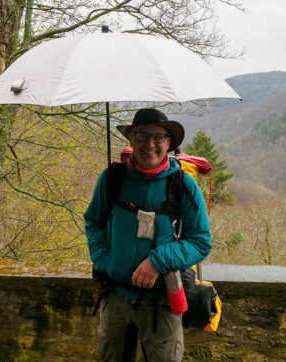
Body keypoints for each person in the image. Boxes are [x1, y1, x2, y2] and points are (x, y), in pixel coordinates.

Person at [84, 108, 212, 362]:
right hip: (116, 297)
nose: (150, 144)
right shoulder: (112, 179)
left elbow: (200, 242)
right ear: (130, 138)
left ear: (168, 142)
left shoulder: (183, 185)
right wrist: (104, 261)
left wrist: (158, 261)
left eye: (159, 137)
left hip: (162, 302)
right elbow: (93, 222)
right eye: (142, 136)